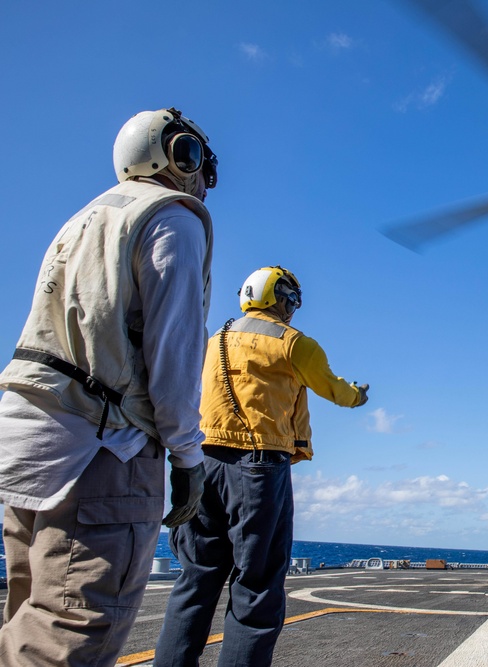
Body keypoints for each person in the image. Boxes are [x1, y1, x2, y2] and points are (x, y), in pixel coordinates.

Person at [0, 107, 219, 665]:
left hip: (24, 444)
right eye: (194, 158)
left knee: (23, 619)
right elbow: (175, 355)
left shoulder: (83, 219)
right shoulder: (172, 218)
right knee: (71, 633)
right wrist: (188, 458)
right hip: (100, 450)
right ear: (176, 154)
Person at [153, 266, 369, 666]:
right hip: (257, 467)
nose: (294, 309)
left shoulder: (214, 339)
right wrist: (358, 396)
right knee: (256, 588)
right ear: (281, 297)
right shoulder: (293, 343)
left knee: (195, 580)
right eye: (293, 299)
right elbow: (333, 389)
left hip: (200, 463)